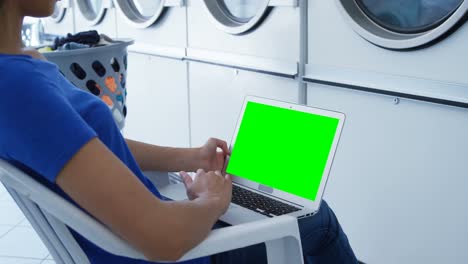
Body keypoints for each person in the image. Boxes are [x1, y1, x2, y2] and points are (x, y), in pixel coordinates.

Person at [0, 0, 358, 263]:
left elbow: (88, 146)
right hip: (163, 254)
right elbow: (164, 238)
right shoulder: (18, 86)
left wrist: (193, 157)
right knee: (316, 219)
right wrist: (211, 200)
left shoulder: (22, 63)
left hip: (129, 239)